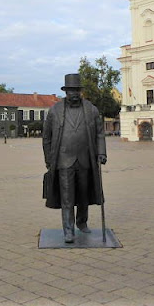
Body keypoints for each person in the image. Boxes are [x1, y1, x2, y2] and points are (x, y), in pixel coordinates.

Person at [42, 73, 107, 243]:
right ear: (65, 92)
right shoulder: (55, 110)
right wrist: (49, 159)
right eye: (71, 91)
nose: (74, 94)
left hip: (85, 159)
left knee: (84, 194)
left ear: (80, 91)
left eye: (77, 90)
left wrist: (101, 153)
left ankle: (82, 222)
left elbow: (100, 133)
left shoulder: (91, 109)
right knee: (67, 197)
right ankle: (68, 230)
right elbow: (46, 136)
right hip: (64, 160)